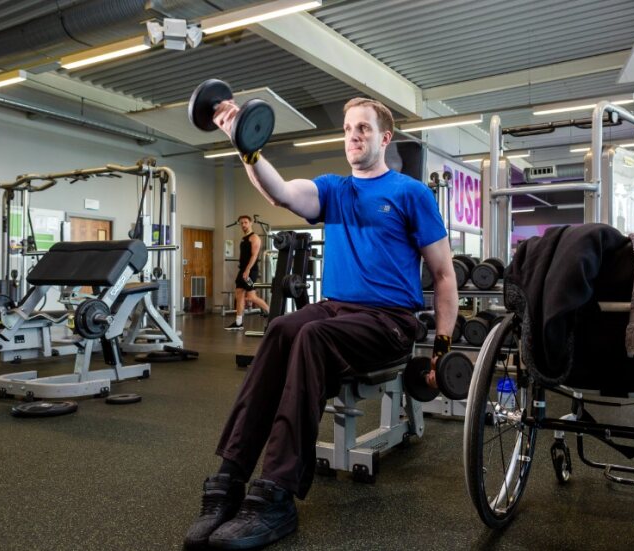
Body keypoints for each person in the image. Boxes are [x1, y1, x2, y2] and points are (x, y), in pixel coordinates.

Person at [184, 97, 458, 550]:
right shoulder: (334, 188)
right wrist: (245, 146)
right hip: (335, 309)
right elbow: (281, 193)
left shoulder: (412, 194)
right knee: (280, 329)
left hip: (389, 321)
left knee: (310, 334)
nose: (353, 135)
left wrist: (442, 345)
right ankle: (229, 480)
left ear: (385, 138)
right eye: (349, 128)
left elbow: (445, 275)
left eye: (364, 129)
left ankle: (276, 494)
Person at [226, 215, 270, 331]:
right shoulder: (244, 238)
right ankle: (238, 322)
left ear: (251, 223)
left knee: (251, 297)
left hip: (250, 271)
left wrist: (247, 270)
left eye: (245, 222)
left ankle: (273, 314)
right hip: (243, 270)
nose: (243, 225)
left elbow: (254, 255)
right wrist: (243, 270)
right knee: (239, 294)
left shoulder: (254, 237)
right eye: (241, 223)